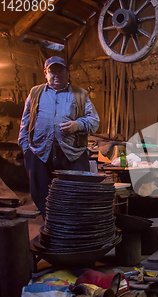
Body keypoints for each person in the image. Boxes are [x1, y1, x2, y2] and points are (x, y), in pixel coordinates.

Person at [18, 56, 100, 218]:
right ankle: (52, 227)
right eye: (52, 71)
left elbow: (94, 121)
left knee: (77, 193)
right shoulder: (35, 93)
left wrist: (78, 125)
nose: (56, 75)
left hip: (72, 153)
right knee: (42, 194)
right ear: (45, 74)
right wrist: (26, 149)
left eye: (60, 71)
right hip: (39, 153)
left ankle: (71, 227)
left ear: (68, 73)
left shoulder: (80, 95)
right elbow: (25, 122)